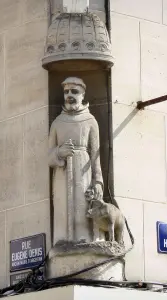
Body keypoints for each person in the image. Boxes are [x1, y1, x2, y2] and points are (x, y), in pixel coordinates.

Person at [49, 77, 103, 244]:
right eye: (66, 92)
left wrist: (98, 181)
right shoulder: (57, 122)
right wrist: (60, 152)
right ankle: (62, 240)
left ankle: (85, 239)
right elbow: (48, 156)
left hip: (83, 171)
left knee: (82, 207)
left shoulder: (90, 121)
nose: (69, 95)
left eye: (74, 91)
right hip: (62, 173)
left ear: (83, 94)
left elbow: (96, 155)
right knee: (62, 208)